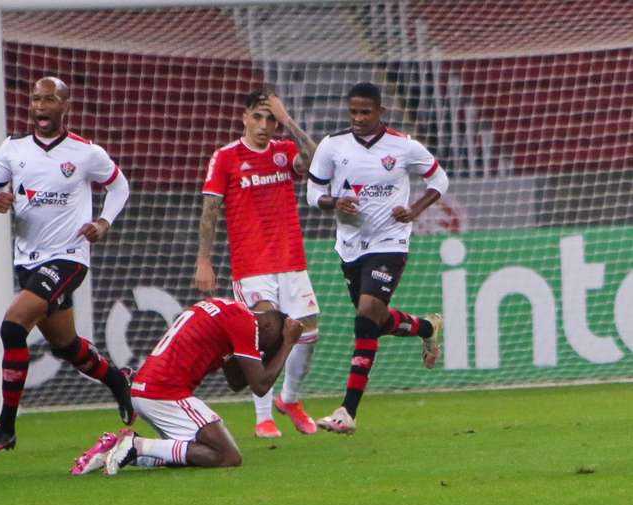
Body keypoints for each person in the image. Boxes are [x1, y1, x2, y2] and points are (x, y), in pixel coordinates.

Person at [0, 77, 133, 454]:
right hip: (27, 258)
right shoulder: (13, 149)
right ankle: (117, 380)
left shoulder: (85, 152)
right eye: (36, 99)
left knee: (13, 327)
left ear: (65, 106)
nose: (40, 106)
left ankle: (5, 427)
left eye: (49, 100)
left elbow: (119, 186)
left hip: (69, 257)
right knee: (66, 345)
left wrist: (104, 222)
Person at [306, 82, 449, 434]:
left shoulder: (403, 146)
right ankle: (427, 327)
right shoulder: (332, 145)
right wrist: (332, 202)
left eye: (365, 112)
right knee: (374, 319)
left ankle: (347, 411)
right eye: (353, 111)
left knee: (367, 312)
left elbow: (439, 178)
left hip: (390, 241)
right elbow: (313, 192)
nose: (357, 118)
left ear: (380, 111)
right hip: (350, 244)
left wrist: (415, 209)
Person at [194, 90, 321, 438]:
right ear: (244, 117)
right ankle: (262, 416)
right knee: (265, 334)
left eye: (271, 119)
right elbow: (210, 210)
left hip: (291, 261)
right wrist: (204, 259)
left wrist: (290, 121)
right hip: (252, 266)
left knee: (308, 335)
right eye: (258, 117)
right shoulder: (226, 157)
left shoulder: (285, 151)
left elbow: (316, 164)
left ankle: (290, 400)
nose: (264, 126)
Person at [69, 297, 304, 475]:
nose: (263, 352)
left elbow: (235, 383)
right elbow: (261, 386)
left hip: (147, 389)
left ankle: (114, 449)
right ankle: (136, 445)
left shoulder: (230, 312)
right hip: (164, 392)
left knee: (196, 454)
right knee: (228, 455)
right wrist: (288, 345)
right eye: (268, 347)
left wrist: (271, 350)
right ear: (269, 328)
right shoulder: (245, 324)